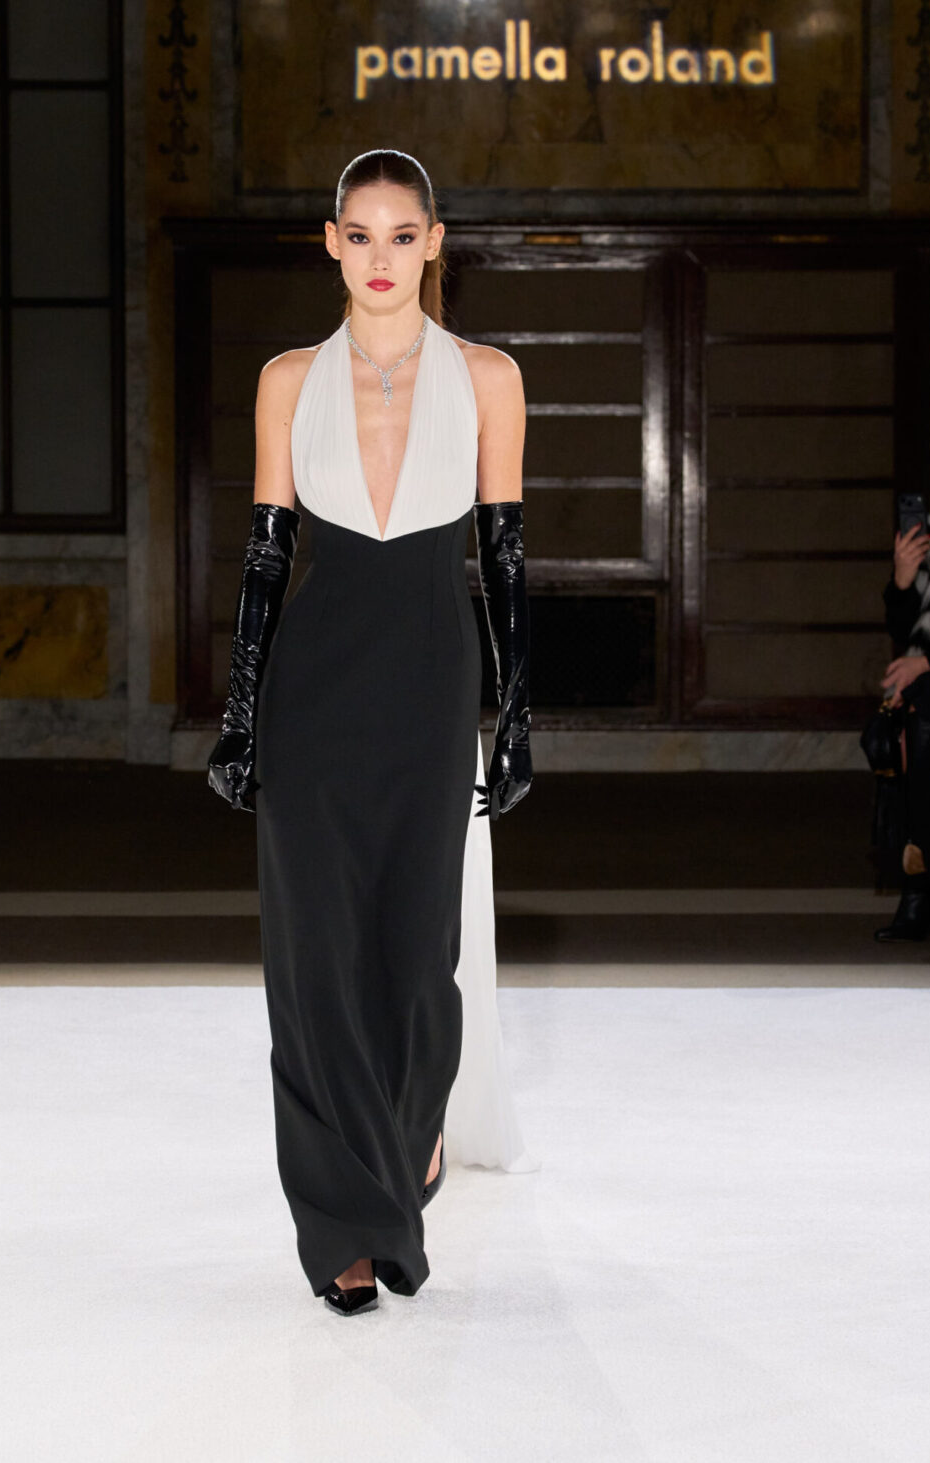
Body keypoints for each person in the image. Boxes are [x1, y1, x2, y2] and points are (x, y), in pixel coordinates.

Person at [207, 148, 532, 1315]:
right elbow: (265, 556)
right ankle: (344, 1226)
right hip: (315, 687)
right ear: (331, 242)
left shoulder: (487, 376)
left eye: (404, 234)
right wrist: (241, 713)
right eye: (361, 233)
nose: (381, 256)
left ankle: (409, 1136)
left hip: (433, 683)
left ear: (435, 242)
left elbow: (505, 556)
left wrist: (518, 715)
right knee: (316, 959)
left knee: (415, 956)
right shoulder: (287, 380)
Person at [876, 516, 930, 943]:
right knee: (923, 796)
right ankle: (921, 893)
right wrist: (903, 580)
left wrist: (927, 663)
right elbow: (906, 629)